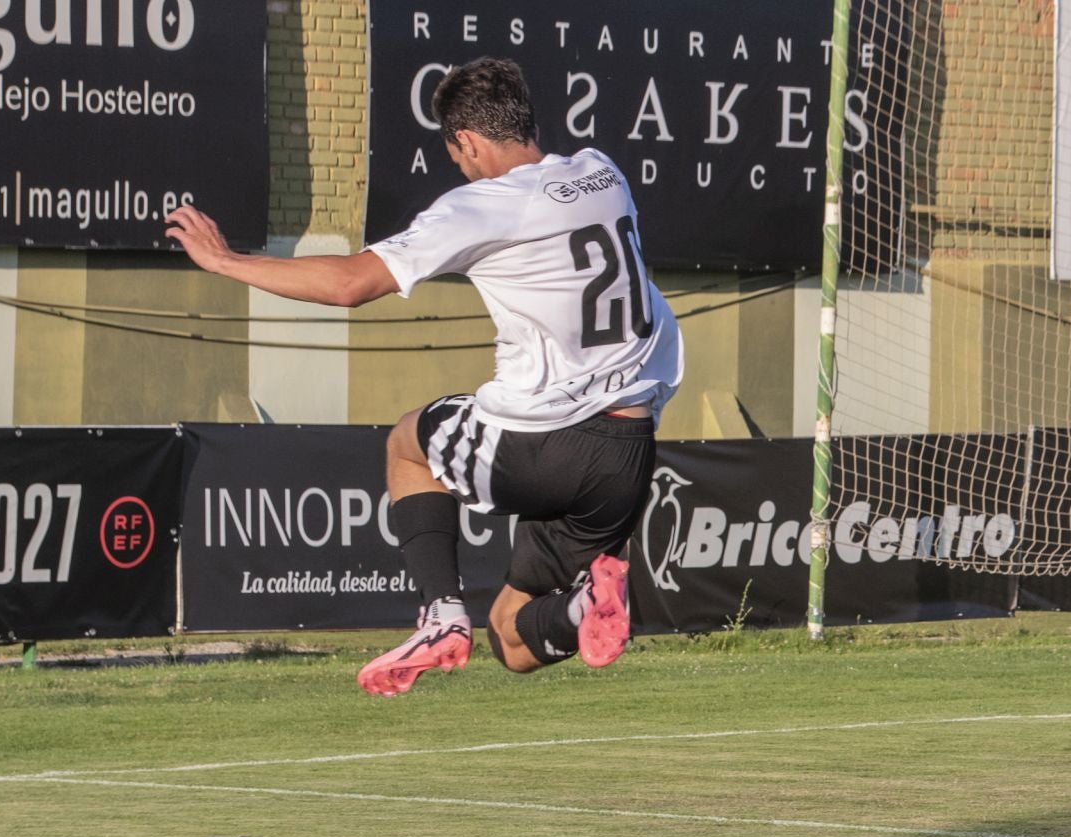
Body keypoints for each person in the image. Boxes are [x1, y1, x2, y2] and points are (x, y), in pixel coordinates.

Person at [166, 58, 683, 696]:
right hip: (626, 456)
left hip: (549, 439)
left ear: (465, 140)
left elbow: (351, 284)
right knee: (512, 639)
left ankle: (440, 616)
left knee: (410, 445)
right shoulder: (602, 172)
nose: (459, 167)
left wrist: (225, 262)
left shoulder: (479, 206)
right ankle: (585, 607)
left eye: (455, 153)